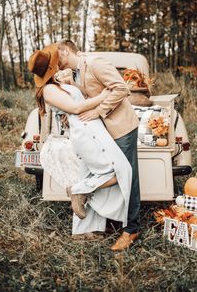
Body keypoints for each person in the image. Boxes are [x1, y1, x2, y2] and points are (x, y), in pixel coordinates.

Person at [28, 45, 132, 243]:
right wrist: (102, 97)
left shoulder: (57, 84)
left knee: (93, 174)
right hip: (86, 133)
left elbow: (76, 96)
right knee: (120, 171)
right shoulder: (48, 90)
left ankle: (84, 231)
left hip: (92, 129)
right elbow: (76, 108)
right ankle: (80, 189)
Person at [57, 40, 141, 251]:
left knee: (127, 175)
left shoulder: (96, 63)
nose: (55, 62)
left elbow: (121, 88)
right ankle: (99, 222)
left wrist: (99, 111)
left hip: (121, 127)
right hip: (101, 133)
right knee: (104, 172)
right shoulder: (75, 72)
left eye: (57, 56)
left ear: (66, 51)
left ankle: (131, 229)